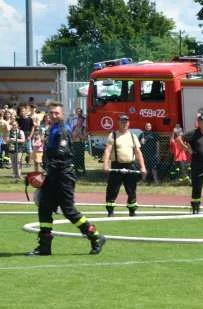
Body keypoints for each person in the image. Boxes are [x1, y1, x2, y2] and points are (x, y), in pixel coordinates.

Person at [28, 103, 107, 256]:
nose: (53, 115)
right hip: (52, 175)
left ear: (62, 114)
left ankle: (95, 237)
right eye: (51, 113)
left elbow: (61, 156)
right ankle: (44, 247)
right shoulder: (53, 129)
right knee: (44, 208)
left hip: (63, 176)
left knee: (69, 211)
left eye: (57, 113)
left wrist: (44, 174)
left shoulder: (63, 131)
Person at [102, 114, 146, 216]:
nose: (124, 123)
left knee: (131, 190)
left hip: (130, 166)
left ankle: (132, 211)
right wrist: (105, 165)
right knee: (113, 189)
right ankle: (110, 211)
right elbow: (108, 151)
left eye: (126, 121)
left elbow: (138, 152)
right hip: (116, 166)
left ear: (128, 123)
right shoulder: (112, 135)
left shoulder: (132, 136)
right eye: (122, 121)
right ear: (118, 122)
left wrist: (142, 166)